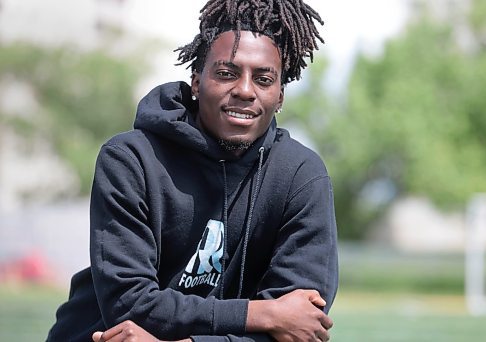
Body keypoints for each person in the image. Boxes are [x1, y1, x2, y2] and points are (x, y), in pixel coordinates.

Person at [47, 0, 338, 341]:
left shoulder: (301, 177)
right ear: (197, 83)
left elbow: (301, 324)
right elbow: (128, 306)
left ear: (280, 95)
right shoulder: (130, 159)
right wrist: (260, 313)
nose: (245, 90)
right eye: (227, 73)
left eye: (263, 79)